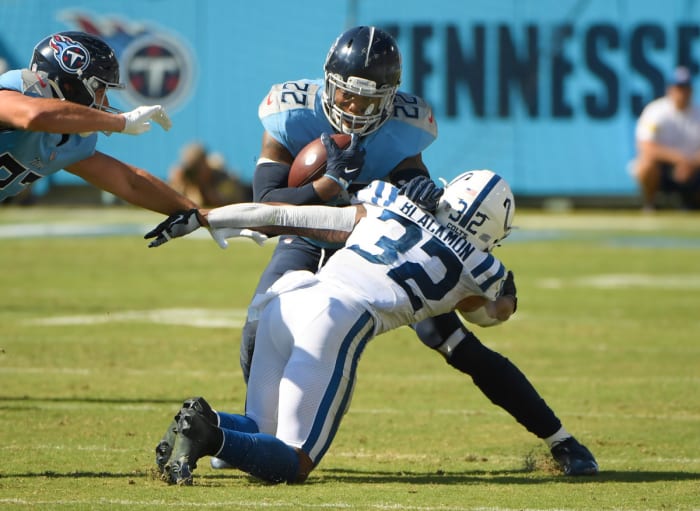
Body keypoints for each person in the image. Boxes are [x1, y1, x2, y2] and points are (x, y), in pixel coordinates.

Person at [147, 25, 597, 477]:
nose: (355, 110)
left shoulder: (404, 129)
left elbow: (406, 192)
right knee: (259, 323)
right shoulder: (293, 110)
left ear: (391, 96)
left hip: (368, 229)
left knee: (454, 344)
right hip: (314, 227)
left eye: (368, 101)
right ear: (327, 83)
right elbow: (270, 205)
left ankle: (558, 438)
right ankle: (255, 439)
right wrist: (329, 185)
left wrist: (413, 186)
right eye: (345, 97)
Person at [153, 170, 520, 485]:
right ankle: (209, 437)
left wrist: (206, 217)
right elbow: (489, 314)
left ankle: (201, 420)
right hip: (334, 320)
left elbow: (285, 215)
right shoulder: (481, 269)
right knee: (296, 460)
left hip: (288, 297)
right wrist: (509, 293)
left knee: (260, 428)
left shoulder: (385, 202)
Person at [0, 31, 210, 235]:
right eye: (101, 91)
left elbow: (131, 183)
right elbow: (34, 116)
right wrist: (119, 122)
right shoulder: (17, 89)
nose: (106, 103)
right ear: (72, 85)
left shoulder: (70, 140)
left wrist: (199, 215)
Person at [634, 66, 700, 210]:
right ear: (669, 89)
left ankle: (692, 201)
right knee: (645, 165)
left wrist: (691, 164)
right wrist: (678, 159)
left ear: (691, 90)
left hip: (694, 168)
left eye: (685, 87)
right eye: (678, 87)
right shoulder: (655, 111)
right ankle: (650, 204)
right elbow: (646, 147)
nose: (682, 92)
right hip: (664, 168)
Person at [169, 142, 251, 207]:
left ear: (205, 162)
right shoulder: (186, 180)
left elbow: (226, 203)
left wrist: (205, 185)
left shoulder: (222, 177)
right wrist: (179, 184)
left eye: (198, 167)